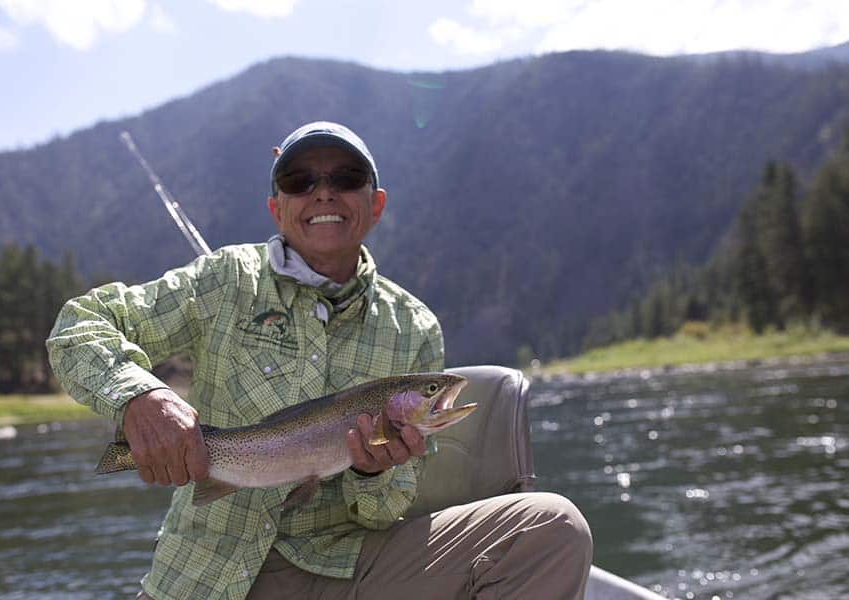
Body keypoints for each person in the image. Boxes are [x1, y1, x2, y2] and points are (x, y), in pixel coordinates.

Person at [47, 121, 592, 599]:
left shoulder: (414, 327)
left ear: (375, 204)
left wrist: (372, 471)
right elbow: (79, 326)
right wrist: (141, 396)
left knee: (550, 528)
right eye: (300, 181)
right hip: (205, 573)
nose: (323, 194)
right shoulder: (224, 280)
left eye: (345, 179)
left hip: (347, 570)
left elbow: (387, 509)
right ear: (276, 207)